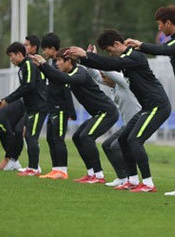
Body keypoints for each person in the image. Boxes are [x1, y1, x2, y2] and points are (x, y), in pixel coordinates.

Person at [66, 29, 171, 193]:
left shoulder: (134, 57)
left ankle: (148, 184)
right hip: (147, 107)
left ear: (116, 44)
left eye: (109, 50)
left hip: (158, 105)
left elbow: (111, 65)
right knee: (123, 139)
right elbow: (105, 68)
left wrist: (85, 56)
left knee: (134, 140)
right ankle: (133, 180)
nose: (110, 54)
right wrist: (83, 58)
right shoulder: (126, 59)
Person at [125, 5, 175, 198]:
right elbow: (165, 48)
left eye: (160, 25)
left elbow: (163, 50)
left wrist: (141, 45)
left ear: (169, 23)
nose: (159, 29)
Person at [31, 49, 119, 184]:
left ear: (69, 61)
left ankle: (99, 175)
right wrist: (42, 67)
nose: (57, 63)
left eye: (60, 60)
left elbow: (64, 78)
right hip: (98, 114)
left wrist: (44, 64)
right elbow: (56, 77)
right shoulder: (68, 73)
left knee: (86, 137)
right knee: (77, 137)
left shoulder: (80, 72)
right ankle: (91, 173)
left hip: (107, 112)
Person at [86, 45, 142, 188]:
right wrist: (86, 59)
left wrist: (93, 58)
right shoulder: (114, 87)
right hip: (127, 125)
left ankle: (132, 178)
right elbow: (97, 76)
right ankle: (122, 178)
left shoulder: (123, 83)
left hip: (138, 122)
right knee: (107, 145)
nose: (103, 79)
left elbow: (106, 72)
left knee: (116, 146)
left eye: (106, 76)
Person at [0, 42, 48, 176]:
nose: (10, 59)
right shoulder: (22, 68)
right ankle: (32, 167)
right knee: (26, 135)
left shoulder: (28, 64)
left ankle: (34, 168)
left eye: (11, 55)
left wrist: (8, 99)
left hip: (38, 107)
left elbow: (29, 86)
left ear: (19, 54)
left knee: (31, 137)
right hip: (31, 108)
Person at [36, 33, 76, 180]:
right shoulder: (52, 65)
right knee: (50, 139)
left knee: (58, 139)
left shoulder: (59, 66)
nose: (44, 53)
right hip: (52, 108)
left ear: (52, 48)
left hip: (60, 108)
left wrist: (71, 110)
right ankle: (55, 169)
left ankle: (63, 171)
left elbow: (66, 88)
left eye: (45, 49)